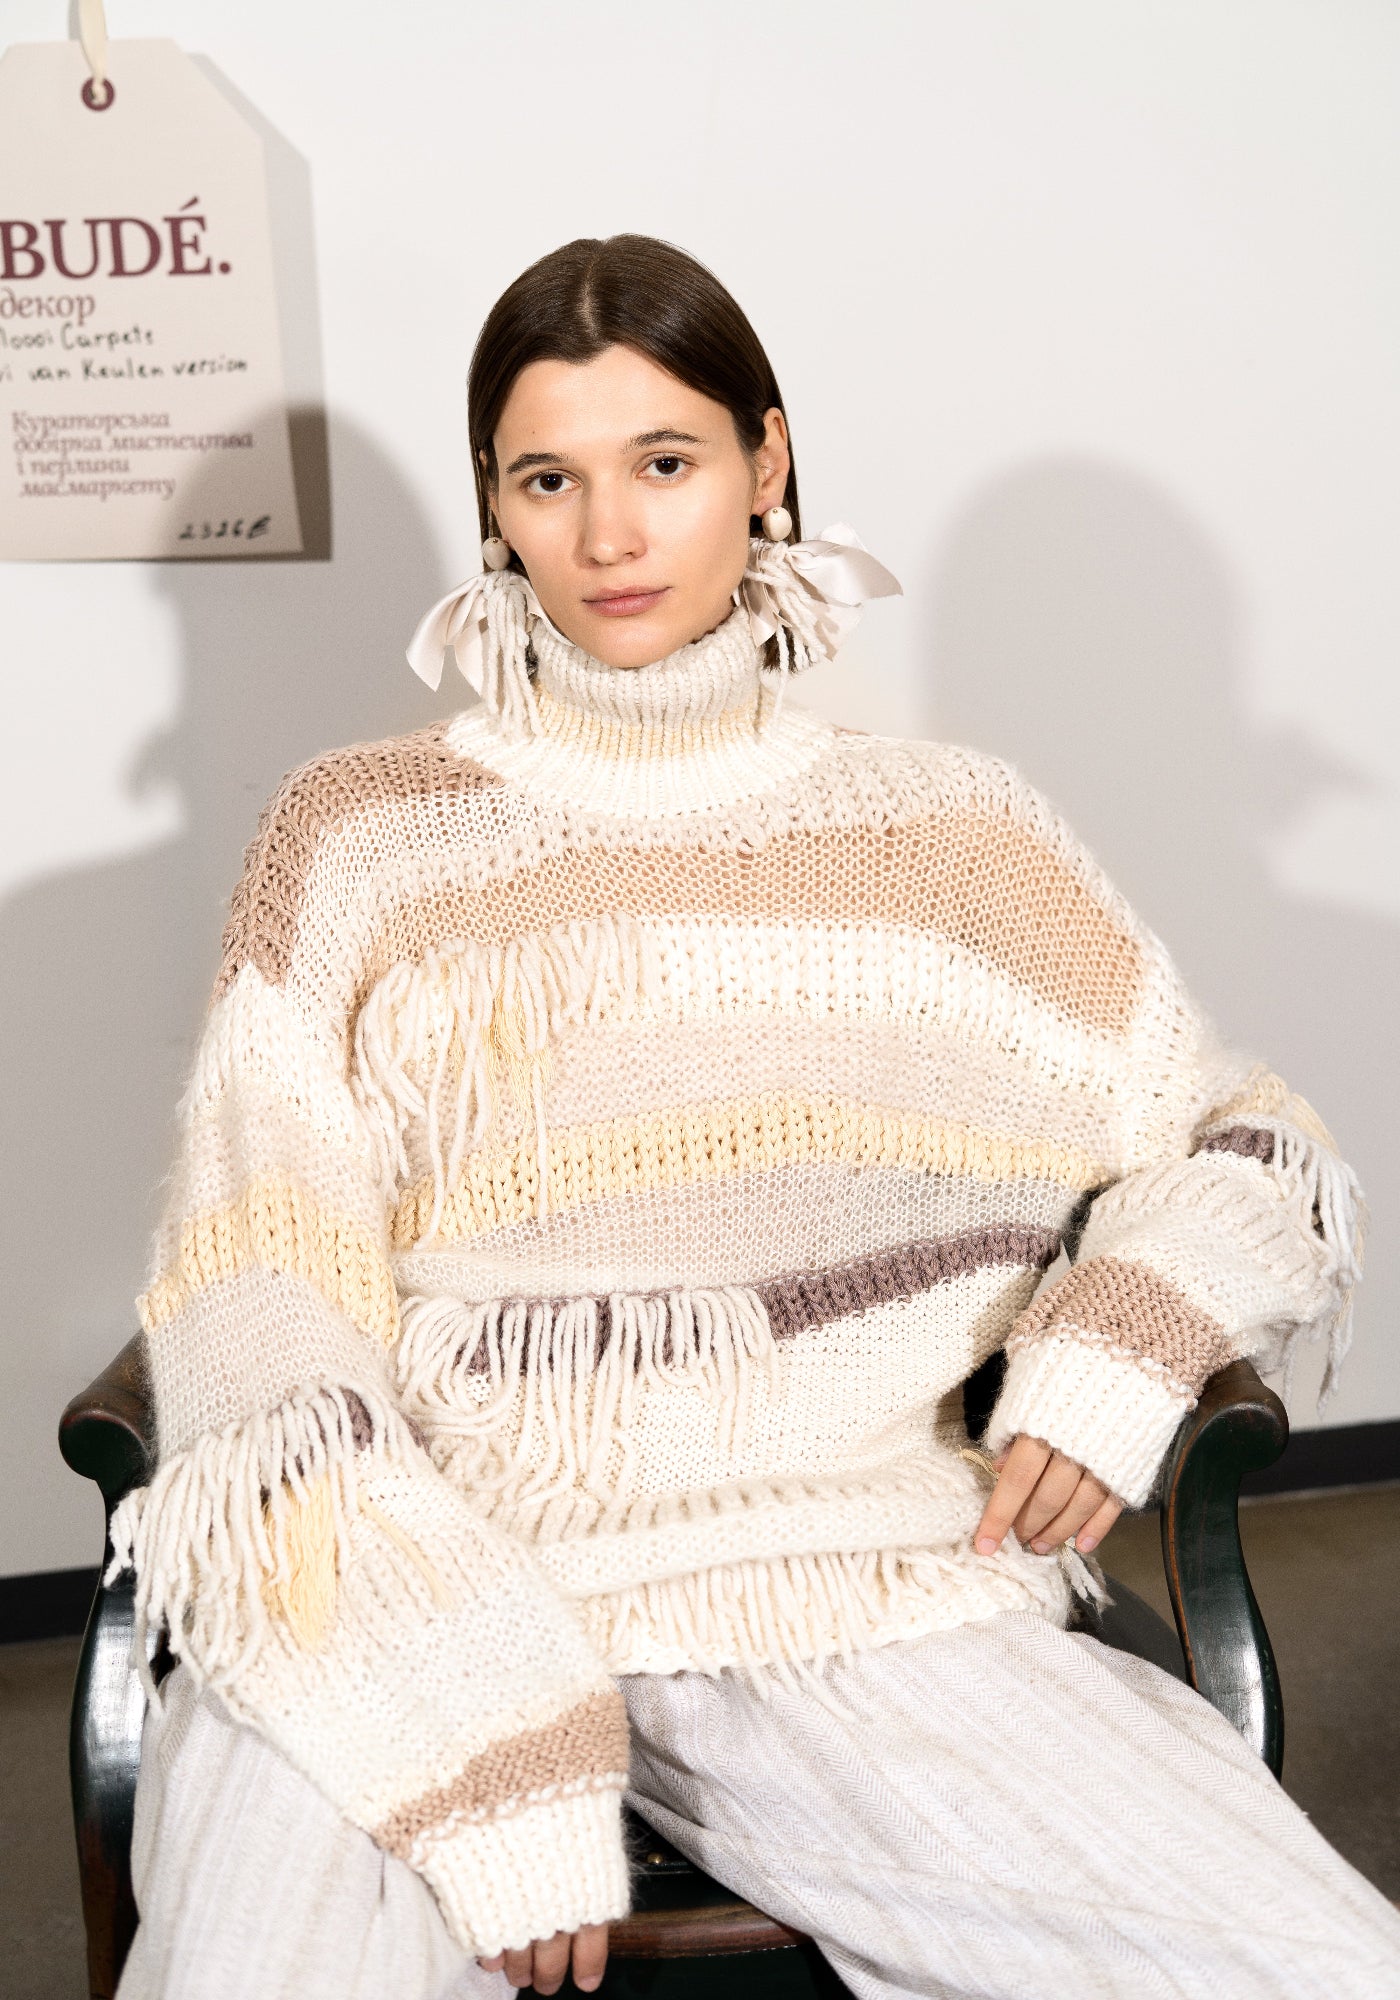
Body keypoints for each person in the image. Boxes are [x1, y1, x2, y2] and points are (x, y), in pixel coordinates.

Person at [112, 234, 1400, 2000]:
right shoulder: (356, 837)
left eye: (665, 462)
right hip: (433, 1582)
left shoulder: (950, 832)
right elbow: (254, 1280)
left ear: (766, 460)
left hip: (851, 1585)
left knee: (1318, 1971)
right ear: (494, 504)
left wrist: (1126, 1333)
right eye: (546, 479)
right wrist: (465, 1717)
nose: (609, 536)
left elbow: (1243, 1139)